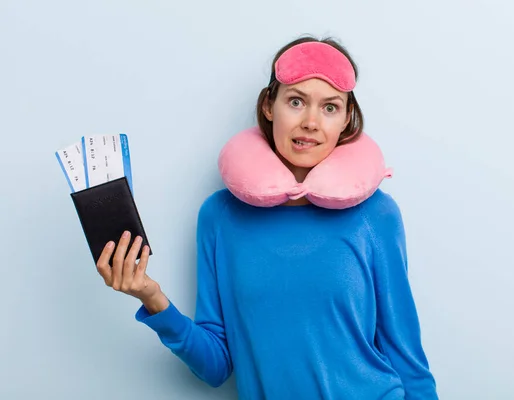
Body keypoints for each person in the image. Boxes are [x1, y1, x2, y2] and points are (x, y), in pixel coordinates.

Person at [95, 35, 438, 399]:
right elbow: (216, 367)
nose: (310, 122)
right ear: (269, 106)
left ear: (346, 119)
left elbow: (407, 360)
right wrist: (152, 298)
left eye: (330, 108)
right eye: (296, 101)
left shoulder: (376, 215)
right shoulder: (220, 216)